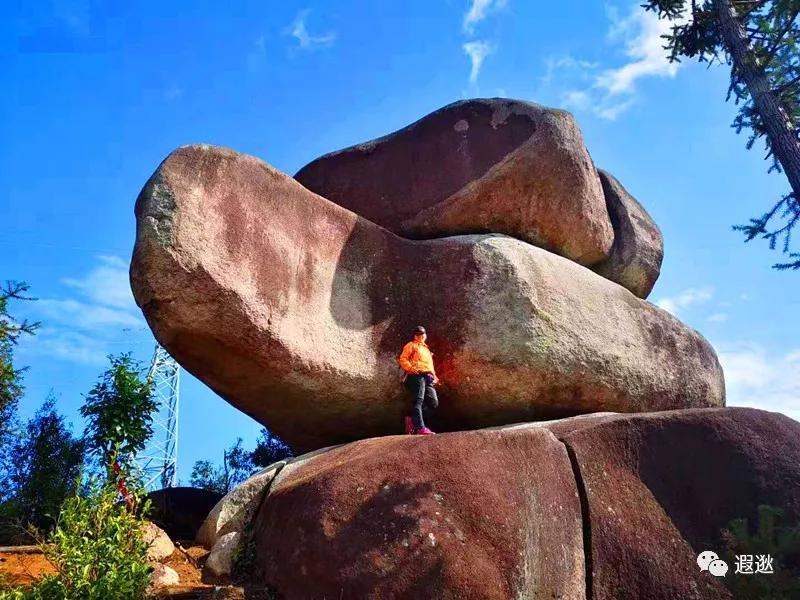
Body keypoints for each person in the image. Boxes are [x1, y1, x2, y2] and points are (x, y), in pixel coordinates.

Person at [398, 325, 439, 435]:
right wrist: (411, 368)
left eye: (422, 333)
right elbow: (403, 359)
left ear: (425, 335)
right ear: (415, 336)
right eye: (418, 334)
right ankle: (420, 427)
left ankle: (412, 419)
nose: (421, 336)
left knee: (433, 403)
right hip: (416, 375)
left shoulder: (426, 349)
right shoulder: (411, 345)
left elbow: (430, 365)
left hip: (427, 377)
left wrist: (435, 377)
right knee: (418, 400)